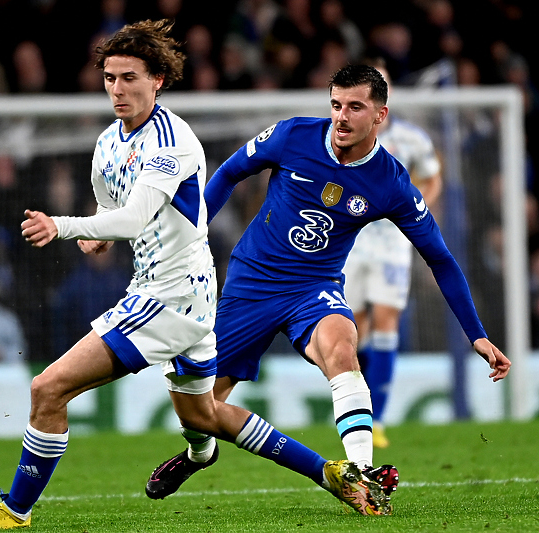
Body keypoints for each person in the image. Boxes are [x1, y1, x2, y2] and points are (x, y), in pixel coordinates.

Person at [0, 21, 391, 532]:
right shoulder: (108, 143)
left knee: (48, 389)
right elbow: (113, 203)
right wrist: (97, 230)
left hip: (169, 298)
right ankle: (333, 474)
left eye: (130, 78)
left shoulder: (173, 141)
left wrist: (66, 227)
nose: (118, 89)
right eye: (110, 78)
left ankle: (14, 510)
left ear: (157, 79)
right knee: (204, 417)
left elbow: (136, 217)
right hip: (182, 294)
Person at [144, 64, 511, 502]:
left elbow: (441, 260)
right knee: (201, 409)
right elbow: (227, 174)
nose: (341, 116)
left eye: (355, 107)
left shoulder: (391, 182)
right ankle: (199, 455)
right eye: (336, 104)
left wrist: (477, 335)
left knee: (342, 348)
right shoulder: (292, 135)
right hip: (251, 284)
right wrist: (192, 230)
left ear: (380, 115)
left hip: (314, 289)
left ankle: (361, 475)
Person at [342, 63, 443, 449]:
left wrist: (416, 212)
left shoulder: (411, 138)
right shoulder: (345, 137)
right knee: (356, 328)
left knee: (386, 320)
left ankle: (378, 418)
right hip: (351, 240)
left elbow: (433, 177)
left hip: (391, 245)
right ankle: (360, 409)